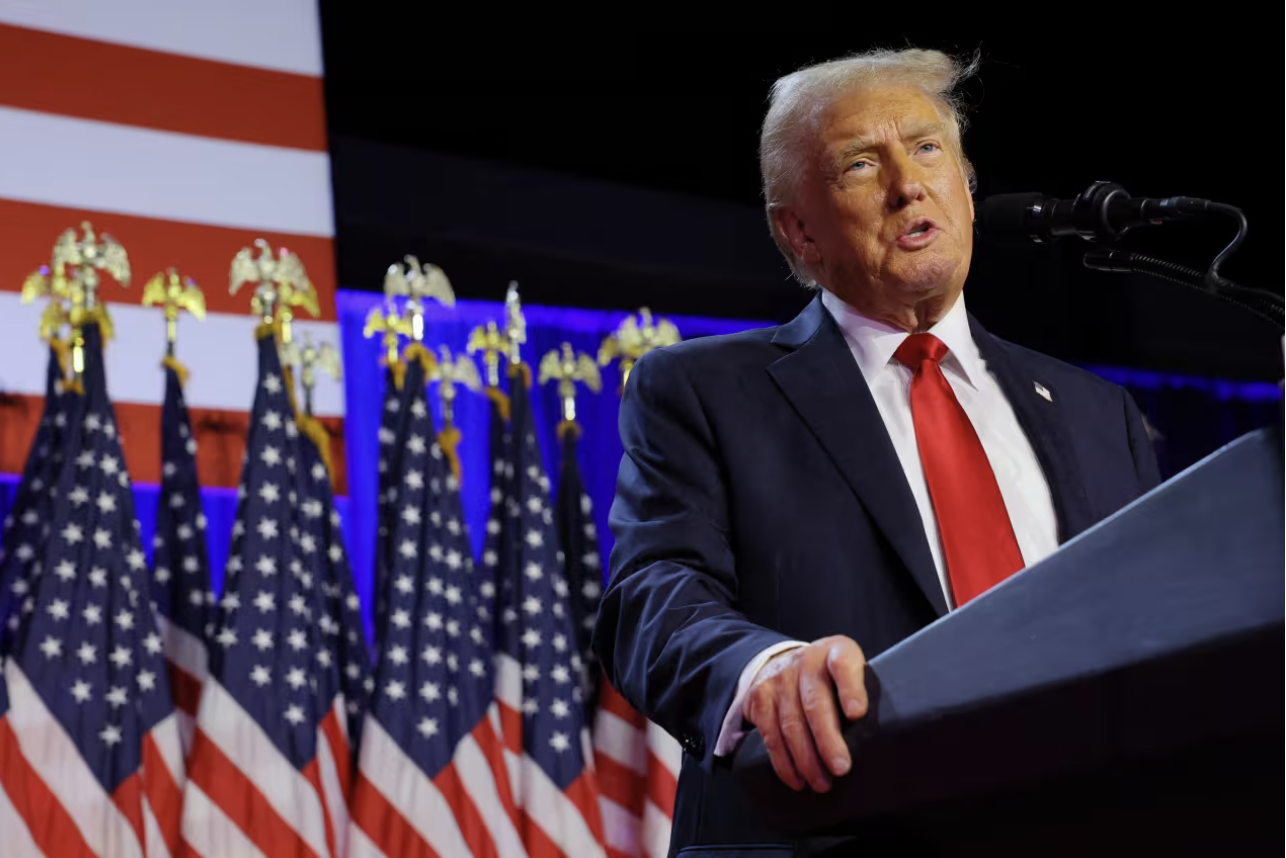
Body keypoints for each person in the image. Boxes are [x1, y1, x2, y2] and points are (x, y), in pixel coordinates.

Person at [593, 48, 1161, 856]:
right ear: (797, 229)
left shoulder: (1097, 412)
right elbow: (650, 597)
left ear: (967, 186)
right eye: (861, 163)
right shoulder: (703, 390)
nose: (907, 184)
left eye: (928, 148)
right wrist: (762, 674)